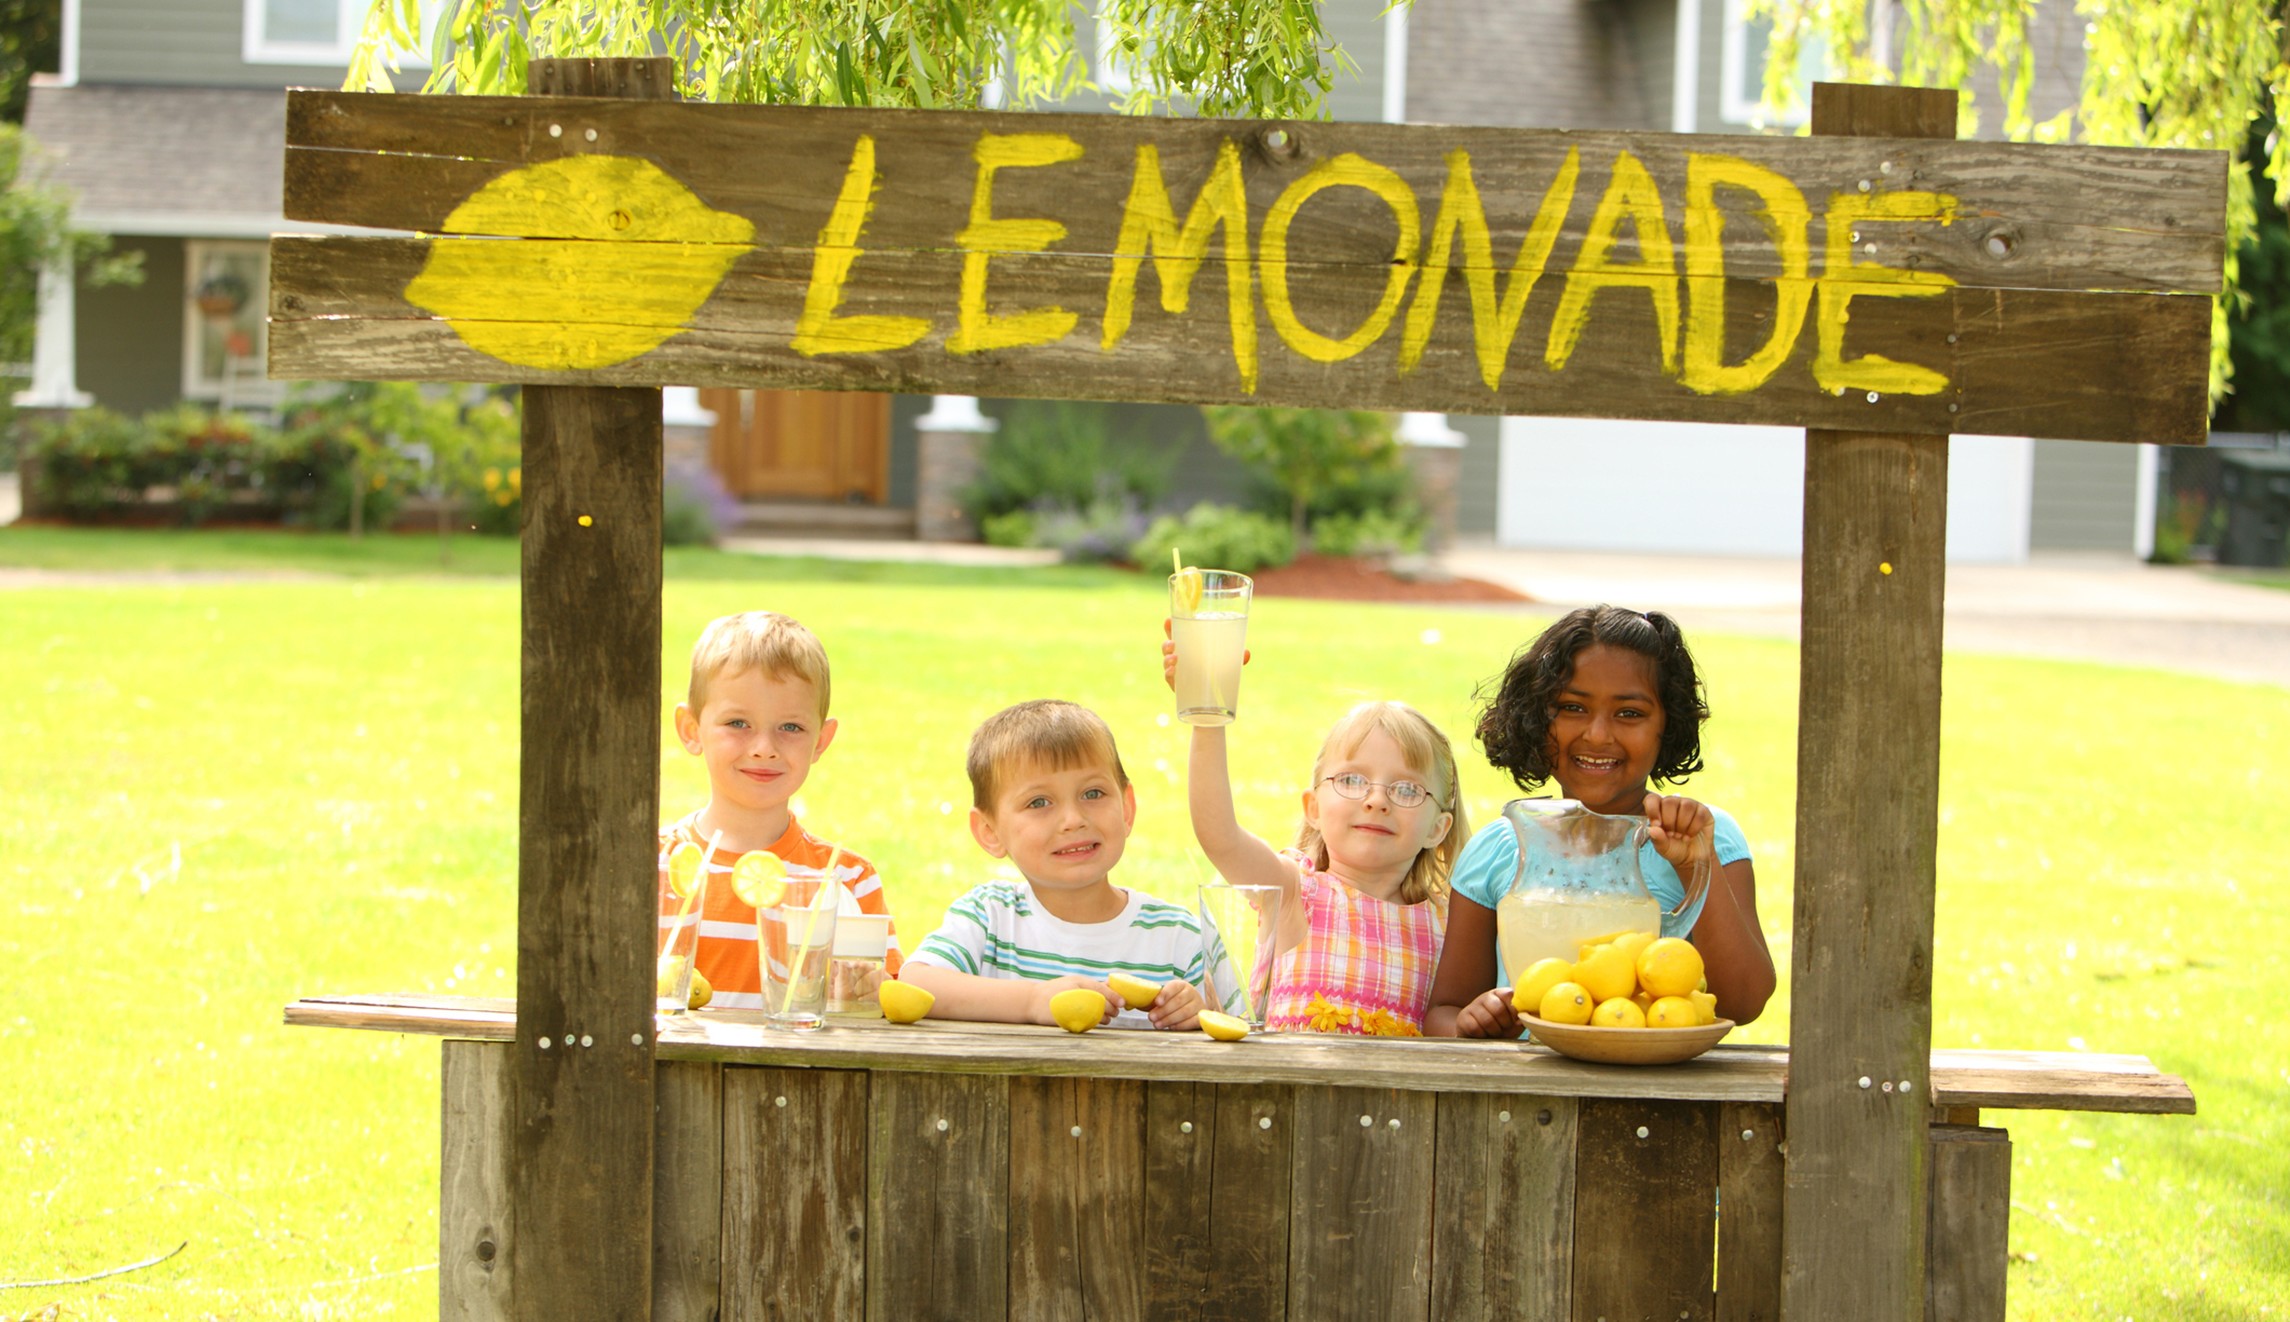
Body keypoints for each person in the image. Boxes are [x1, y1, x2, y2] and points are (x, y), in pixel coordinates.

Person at [1425, 605, 1775, 1037]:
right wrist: (1470, 1025)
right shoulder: (1500, 849)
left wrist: (1693, 863)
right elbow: (1443, 1010)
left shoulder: (1704, 837)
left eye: (1629, 713)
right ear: (1537, 718)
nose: (1596, 734)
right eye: (1572, 707)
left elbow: (1743, 1001)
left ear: (1669, 726)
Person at [1173, 621, 1465, 1034]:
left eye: (1406, 789)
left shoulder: (1447, 923)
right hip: (1289, 1098)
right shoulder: (1293, 893)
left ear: (1438, 828)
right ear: (1313, 807)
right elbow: (1219, 835)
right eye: (1351, 780)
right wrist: (1207, 717)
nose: (1376, 800)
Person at [900, 699, 1225, 1029]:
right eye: (1039, 802)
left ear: (1126, 808)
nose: (1073, 820)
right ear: (990, 831)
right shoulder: (990, 918)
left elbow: (1240, 1022)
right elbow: (915, 982)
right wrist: (1033, 1001)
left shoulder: (1178, 938)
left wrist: (1197, 1014)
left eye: (1093, 793)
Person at [657, 611, 901, 1011]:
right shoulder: (656, 867)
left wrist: (867, 992)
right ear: (691, 729)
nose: (764, 747)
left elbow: (886, 999)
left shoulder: (845, 878)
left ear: (821, 741)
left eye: (790, 728)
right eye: (738, 723)